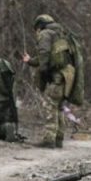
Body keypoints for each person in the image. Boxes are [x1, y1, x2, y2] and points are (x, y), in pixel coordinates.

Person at [22, 14, 76, 148]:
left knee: (50, 106)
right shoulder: (61, 34)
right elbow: (48, 57)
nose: (37, 33)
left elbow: (44, 56)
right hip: (67, 79)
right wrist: (30, 61)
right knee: (59, 108)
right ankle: (58, 139)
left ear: (40, 26)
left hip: (56, 79)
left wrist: (44, 74)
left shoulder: (46, 34)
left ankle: (49, 139)